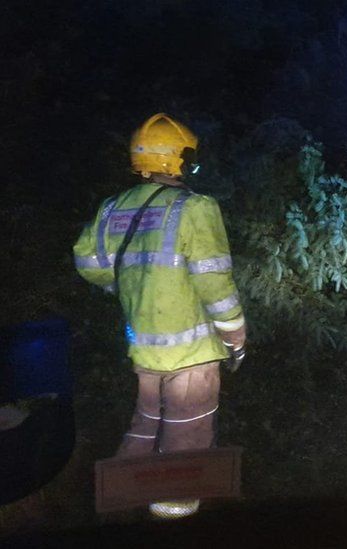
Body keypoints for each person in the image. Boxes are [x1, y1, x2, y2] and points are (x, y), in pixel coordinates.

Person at [73, 113, 247, 519]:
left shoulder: (113, 208)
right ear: (177, 161)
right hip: (192, 356)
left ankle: (119, 502)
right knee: (188, 434)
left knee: (146, 422)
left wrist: (128, 287)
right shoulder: (195, 208)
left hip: (145, 349)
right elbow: (214, 282)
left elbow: (87, 260)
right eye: (191, 159)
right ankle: (173, 512)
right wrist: (236, 335)